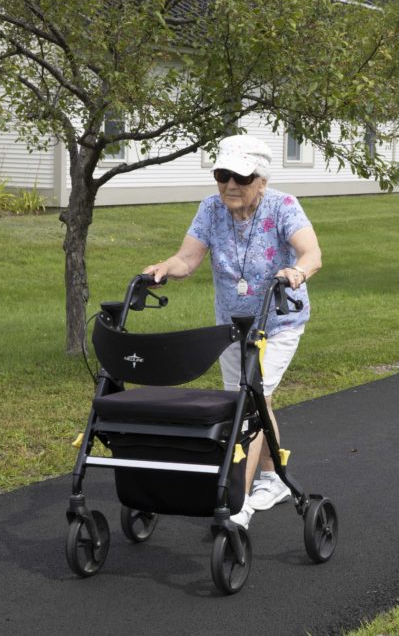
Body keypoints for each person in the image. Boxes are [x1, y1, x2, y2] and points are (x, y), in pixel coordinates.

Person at [143, 134, 322, 529]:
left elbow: (312, 253)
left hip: (278, 322)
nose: (230, 185)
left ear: (261, 179)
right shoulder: (211, 209)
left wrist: (298, 270)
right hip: (233, 325)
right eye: (222, 175)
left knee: (250, 404)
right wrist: (161, 269)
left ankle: (236, 500)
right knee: (255, 401)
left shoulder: (283, 206)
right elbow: (187, 260)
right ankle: (273, 479)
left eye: (240, 177)